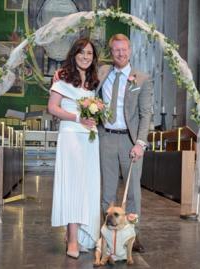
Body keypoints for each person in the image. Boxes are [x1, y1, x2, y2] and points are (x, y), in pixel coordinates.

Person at [97, 34, 153, 253]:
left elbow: (146, 113)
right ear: (111, 52)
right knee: (107, 192)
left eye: (124, 49)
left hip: (130, 141)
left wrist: (140, 143)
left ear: (130, 50)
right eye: (116, 50)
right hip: (106, 138)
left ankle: (133, 237)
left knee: (132, 193)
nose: (120, 53)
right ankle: (107, 235)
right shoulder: (102, 73)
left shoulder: (141, 78)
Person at [48, 38, 101, 259]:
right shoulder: (63, 77)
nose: (85, 57)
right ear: (74, 54)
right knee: (73, 187)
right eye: (81, 52)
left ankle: (82, 234)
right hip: (71, 137)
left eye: (89, 53)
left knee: (87, 187)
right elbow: (52, 108)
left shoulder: (93, 81)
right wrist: (78, 117)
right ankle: (71, 240)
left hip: (90, 139)